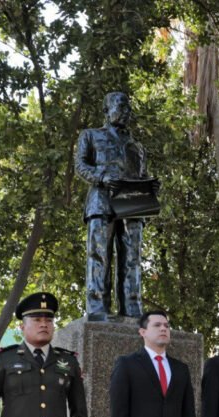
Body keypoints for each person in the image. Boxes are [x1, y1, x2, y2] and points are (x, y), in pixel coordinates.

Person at [75, 91, 158, 321]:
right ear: (106, 110)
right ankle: (97, 307)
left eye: (128, 108)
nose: (126, 112)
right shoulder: (90, 135)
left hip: (132, 204)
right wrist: (101, 177)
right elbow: (80, 165)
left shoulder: (136, 145)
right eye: (121, 107)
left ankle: (132, 307)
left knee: (132, 257)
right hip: (101, 202)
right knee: (99, 254)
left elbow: (142, 174)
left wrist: (151, 186)